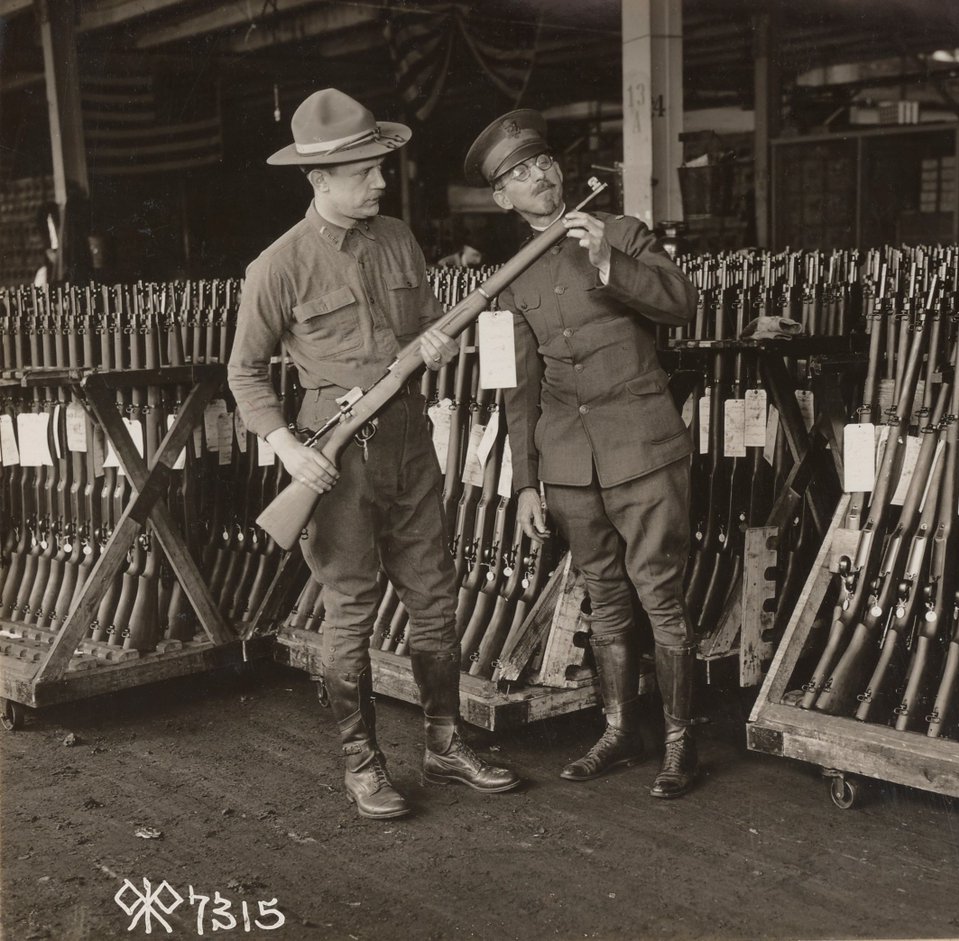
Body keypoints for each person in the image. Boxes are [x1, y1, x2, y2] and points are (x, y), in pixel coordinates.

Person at [228, 88, 521, 820]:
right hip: (333, 460)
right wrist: (288, 448)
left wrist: (435, 344)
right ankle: (362, 763)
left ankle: (445, 743)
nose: (382, 181)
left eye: (381, 166)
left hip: (409, 445)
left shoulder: (397, 238)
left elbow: (422, 328)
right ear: (319, 179)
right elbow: (244, 373)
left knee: (436, 595)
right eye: (365, 171)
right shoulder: (277, 266)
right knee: (351, 613)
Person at [463, 110, 701, 798]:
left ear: (559, 170)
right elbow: (517, 391)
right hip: (569, 466)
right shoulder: (506, 279)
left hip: (645, 449)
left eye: (540, 162)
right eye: (516, 175)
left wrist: (608, 259)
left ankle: (681, 744)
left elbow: (682, 303)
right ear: (502, 198)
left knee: (660, 595)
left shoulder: (621, 231)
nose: (534, 176)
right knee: (604, 598)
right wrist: (528, 484)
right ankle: (618, 728)